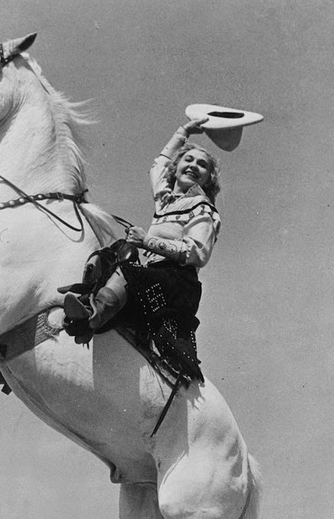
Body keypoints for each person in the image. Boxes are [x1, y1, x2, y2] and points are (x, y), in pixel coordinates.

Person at [62, 116, 221, 381]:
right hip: (157, 276)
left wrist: (147, 241)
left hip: (178, 282)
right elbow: (159, 164)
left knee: (128, 266)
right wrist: (183, 131)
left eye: (202, 165)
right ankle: (84, 306)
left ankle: (91, 315)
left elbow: (197, 253)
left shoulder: (203, 208)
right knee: (113, 254)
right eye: (188, 159)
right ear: (177, 168)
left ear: (207, 179)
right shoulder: (166, 200)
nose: (194, 165)